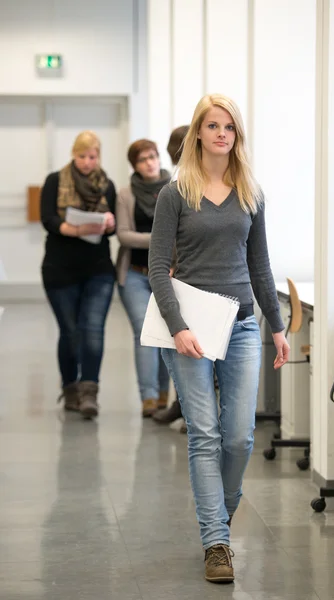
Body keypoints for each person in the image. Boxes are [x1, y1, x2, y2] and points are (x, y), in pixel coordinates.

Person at [149, 94, 290, 583]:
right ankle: (216, 542)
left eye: (229, 126)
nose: (222, 133)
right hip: (188, 330)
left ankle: (222, 509)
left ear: (237, 135)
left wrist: (277, 325)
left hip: (242, 325)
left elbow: (261, 265)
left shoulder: (251, 192)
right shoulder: (175, 193)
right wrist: (178, 327)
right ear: (198, 133)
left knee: (239, 437)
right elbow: (157, 269)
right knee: (204, 436)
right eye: (212, 125)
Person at [40, 130, 116, 419]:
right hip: (60, 270)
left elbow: (116, 224)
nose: (87, 162)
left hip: (98, 269)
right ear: (73, 155)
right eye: (82, 156)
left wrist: (108, 223)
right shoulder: (55, 181)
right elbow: (48, 219)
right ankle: (70, 388)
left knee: (93, 331)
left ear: (99, 157)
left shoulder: (106, 185)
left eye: (92, 156)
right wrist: (77, 229)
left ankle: (89, 394)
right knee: (70, 333)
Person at [116, 140, 171, 418]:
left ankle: (164, 394)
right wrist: (159, 239)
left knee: (165, 335)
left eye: (153, 157)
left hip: (168, 276)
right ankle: (147, 397)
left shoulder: (174, 188)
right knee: (143, 333)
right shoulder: (126, 194)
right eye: (142, 160)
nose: (150, 163)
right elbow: (123, 235)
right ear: (134, 165)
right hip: (136, 276)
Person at [152, 125, 189, 428]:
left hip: (195, 274)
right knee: (178, 341)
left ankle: (185, 406)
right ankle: (182, 404)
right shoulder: (174, 186)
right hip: (177, 274)